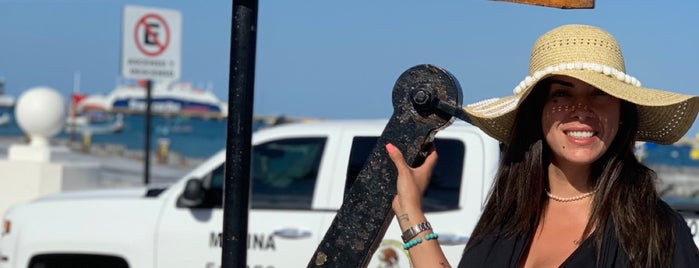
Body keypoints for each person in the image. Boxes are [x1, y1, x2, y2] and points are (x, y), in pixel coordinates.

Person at [386, 24, 699, 267]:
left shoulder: (657, 230)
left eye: (600, 93)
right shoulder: (507, 218)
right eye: (562, 94)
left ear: (622, 112)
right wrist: (410, 210)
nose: (582, 109)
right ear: (538, 111)